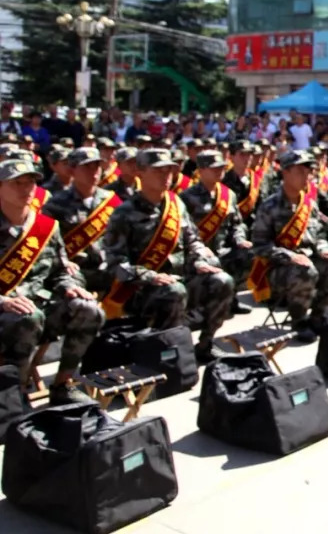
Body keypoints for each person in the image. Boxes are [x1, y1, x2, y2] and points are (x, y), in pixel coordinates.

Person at [101, 148, 235, 363]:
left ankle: (205, 344)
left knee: (222, 280)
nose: (166, 177)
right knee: (174, 291)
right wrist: (151, 276)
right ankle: (169, 354)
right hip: (140, 290)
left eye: (169, 171)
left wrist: (200, 260)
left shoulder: (176, 204)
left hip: (180, 279)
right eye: (159, 171)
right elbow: (116, 264)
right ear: (141, 173)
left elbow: (193, 241)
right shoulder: (123, 213)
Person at [0, 157, 103, 406]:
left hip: (39, 308)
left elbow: (61, 269)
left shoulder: (45, 226)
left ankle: (63, 383)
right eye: (18, 183)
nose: (27, 189)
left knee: (89, 310)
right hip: (8, 314)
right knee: (27, 318)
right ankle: (16, 393)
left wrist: (71, 286)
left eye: (31, 183)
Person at [249, 150, 328, 343]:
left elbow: (318, 234)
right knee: (306, 270)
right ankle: (299, 322)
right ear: (285, 172)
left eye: (309, 172)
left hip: (308, 260)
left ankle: (317, 316)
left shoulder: (308, 202)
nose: (307, 176)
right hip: (278, 268)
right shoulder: (269, 206)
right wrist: (289, 256)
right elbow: (259, 246)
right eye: (301, 171)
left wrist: (323, 249)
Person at [181, 149, 254, 316]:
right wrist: (198, 250)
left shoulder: (228, 195)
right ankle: (202, 306)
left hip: (223, 250)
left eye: (221, 167)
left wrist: (240, 239)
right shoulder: (186, 197)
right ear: (201, 170)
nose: (219, 171)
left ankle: (231, 298)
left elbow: (237, 225)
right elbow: (183, 233)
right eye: (214, 168)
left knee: (250, 254)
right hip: (197, 255)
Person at [42, 147, 122, 296]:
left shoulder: (112, 201)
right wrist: (63, 262)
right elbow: (48, 246)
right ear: (72, 170)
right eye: (87, 167)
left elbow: (122, 238)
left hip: (110, 267)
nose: (94, 171)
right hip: (76, 270)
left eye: (97, 166)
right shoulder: (55, 205)